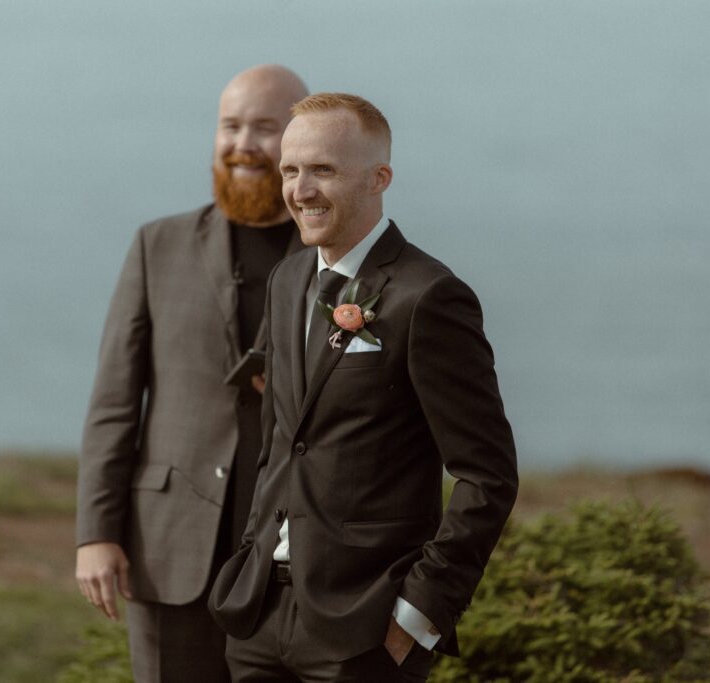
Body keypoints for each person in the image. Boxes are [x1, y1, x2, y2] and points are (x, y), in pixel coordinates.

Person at [208, 93, 519, 682]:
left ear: (380, 178)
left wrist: (419, 612)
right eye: (291, 170)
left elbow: (489, 475)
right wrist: (253, 548)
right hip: (259, 617)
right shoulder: (289, 278)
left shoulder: (429, 298)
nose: (300, 191)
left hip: (365, 631)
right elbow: (279, 441)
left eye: (323, 170)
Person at [75, 65, 308, 682]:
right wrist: (95, 534)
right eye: (230, 126)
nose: (243, 144)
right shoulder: (157, 246)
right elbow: (114, 404)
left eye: (265, 127)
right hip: (167, 546)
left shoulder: (336, 259)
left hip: (294, 558)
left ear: (301, 138)